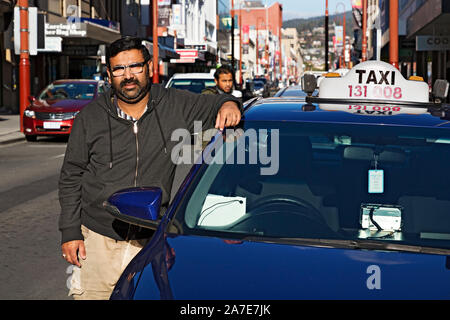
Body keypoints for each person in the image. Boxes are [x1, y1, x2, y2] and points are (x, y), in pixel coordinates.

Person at [58, 36, 241, 300]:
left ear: (149, 67)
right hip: (97, 239)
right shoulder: (90, 118)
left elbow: (216, 103)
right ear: (109, 74)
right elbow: (71, 177)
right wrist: (70, 233)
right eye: (119, 69)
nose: (128, 75)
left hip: (151, 242)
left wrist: (228, 104)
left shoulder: (175, 105)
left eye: (135, 66)